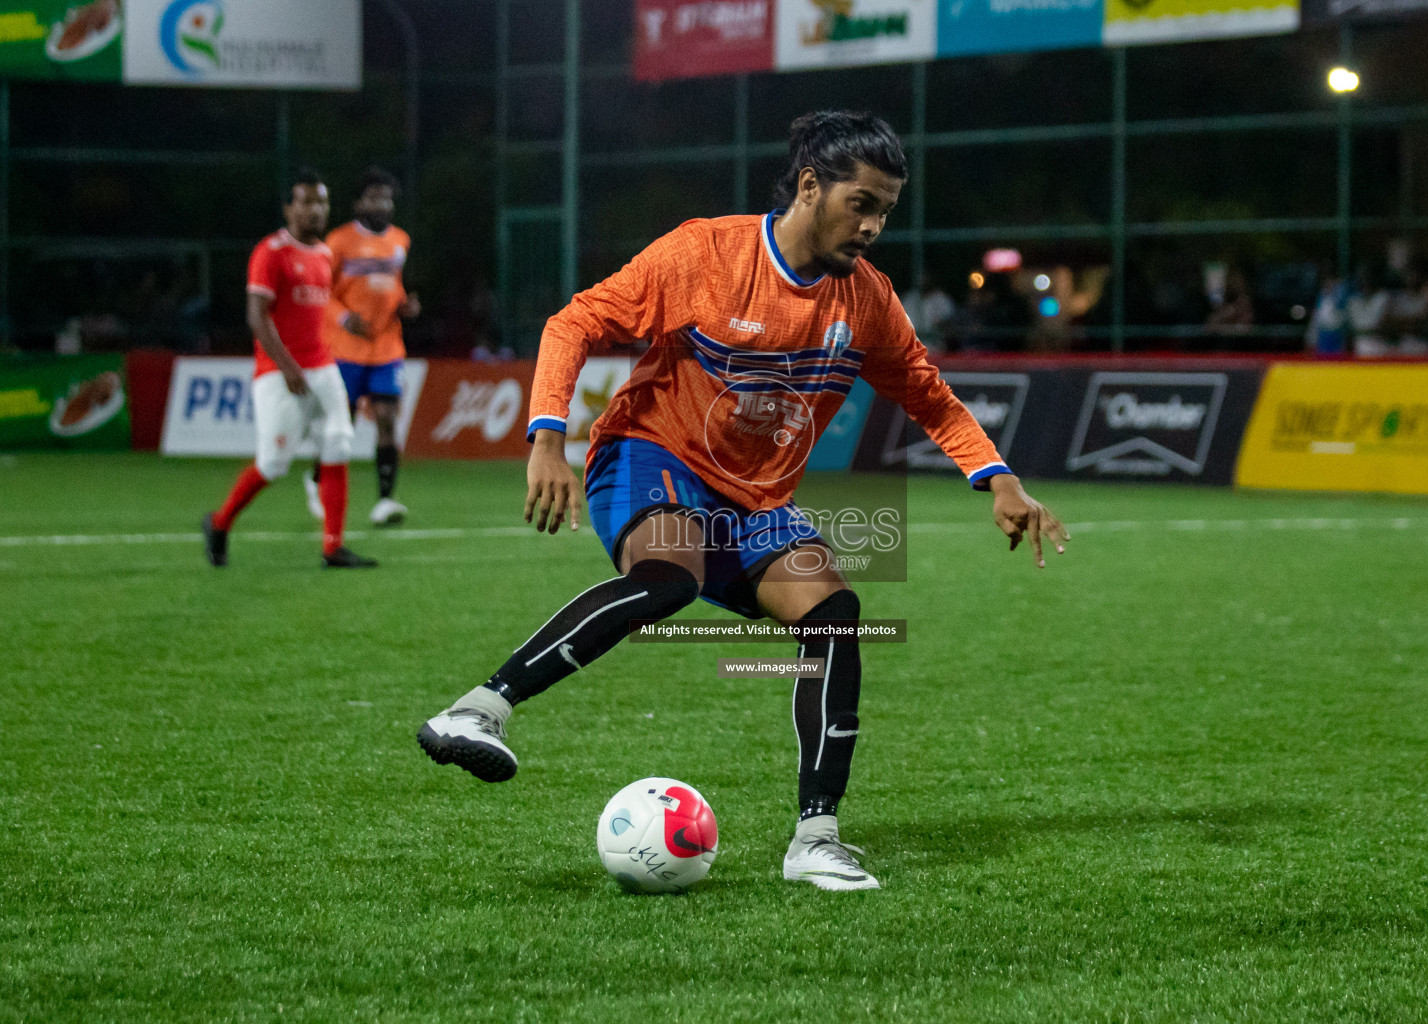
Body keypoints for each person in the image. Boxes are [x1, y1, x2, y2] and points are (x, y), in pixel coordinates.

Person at [415, 111, 1069, 891]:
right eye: (861, 203)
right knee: (669, 575)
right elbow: (576, 320)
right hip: (650, 450)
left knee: (833, 614)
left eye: (886, 210)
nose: (873, 225)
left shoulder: (866, 301)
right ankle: (482, 708)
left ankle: (816, 839)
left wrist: (998, 478)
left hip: (755, 497)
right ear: (808, 186)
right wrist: (547, 437)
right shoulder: (707, 254)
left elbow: (928, 395)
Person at [201, 169, 377, 570]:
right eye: (308, 202)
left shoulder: (324, 255)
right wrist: (287, 367)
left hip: (323, 369)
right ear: (289, 207)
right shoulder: (271, 252)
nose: (317, 211)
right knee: (273, 464)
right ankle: (219, 523)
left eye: (322, 202)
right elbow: (257, 317)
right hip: (280, 374)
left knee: (339, 446)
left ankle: (333, 547)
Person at [304, 166, 420, 527]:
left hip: (386, 347)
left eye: (385, 197)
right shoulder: (337, 242)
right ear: (358, 202)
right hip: (345, 348)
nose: (380, 203)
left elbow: (393, 285)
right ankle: (317, 480)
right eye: (373, 196)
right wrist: (343, 318)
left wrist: (405, 305)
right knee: (344, 423)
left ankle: (385, 500)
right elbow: (321, 292)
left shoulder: (400, 240)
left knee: (387, 420)